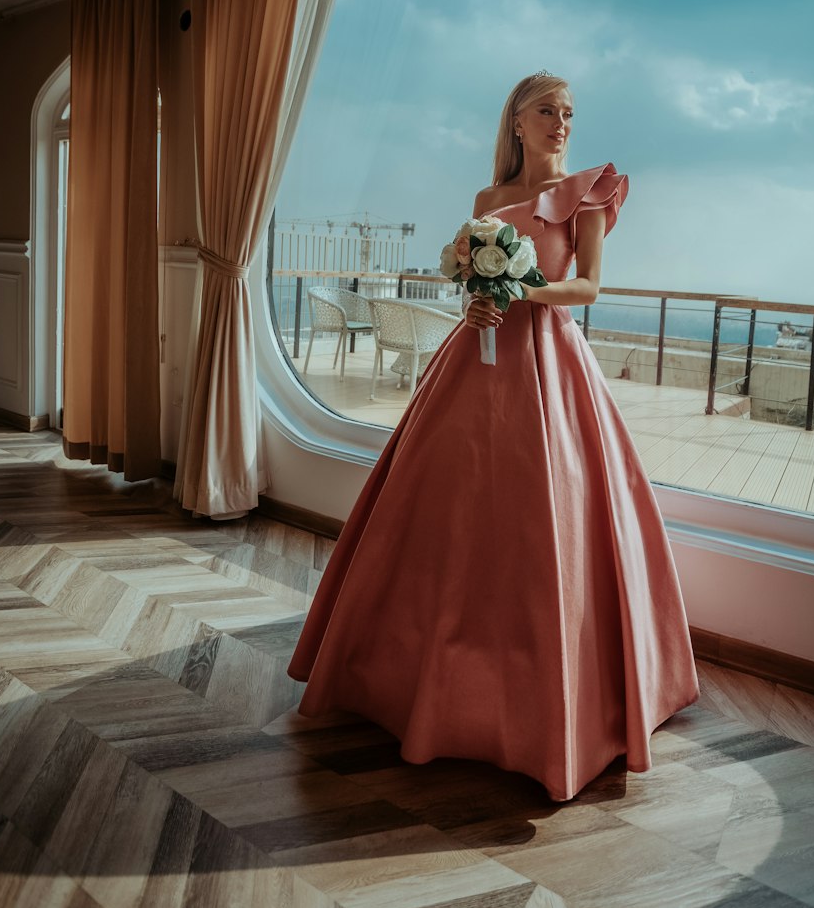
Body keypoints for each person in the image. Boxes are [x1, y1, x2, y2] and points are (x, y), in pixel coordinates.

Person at [287, 72, 699, 801]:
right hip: (476, 365)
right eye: (548, 111)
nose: (561, 123)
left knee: (547, 519)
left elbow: (590, 287)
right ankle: (412, 680)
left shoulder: (591, 191)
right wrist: (480, 301)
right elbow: (472, 279)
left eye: (569, 113)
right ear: (516, 121)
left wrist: (519, 289)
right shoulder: (486, 203)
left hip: (550, 364)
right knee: (446, 509)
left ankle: (553, 702)